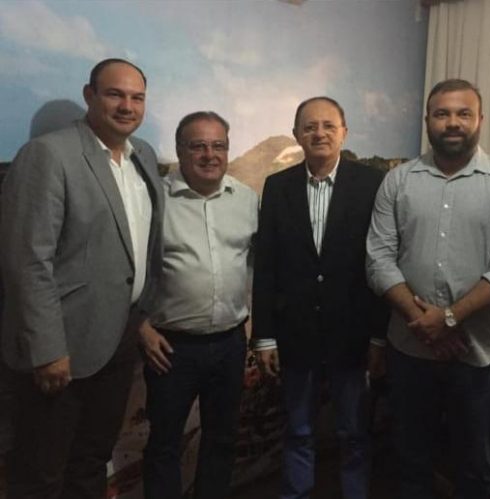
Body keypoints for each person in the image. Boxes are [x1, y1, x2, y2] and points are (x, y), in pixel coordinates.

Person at [0, 58, 163, 498]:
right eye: (115, 94)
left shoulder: (143, 156)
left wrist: (141, 317)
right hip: (61, 350)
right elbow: (27, 261)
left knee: (92, 460)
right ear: (90, 95)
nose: (127, 106)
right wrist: (48, 349)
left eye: (137, 97)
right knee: (40, 474)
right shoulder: (48, 155)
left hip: (119, 340)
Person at [366, 78, 490, 499]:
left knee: (476, 471)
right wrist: (423, 322)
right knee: (411, 466)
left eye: (463, 113)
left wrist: (449, 318)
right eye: (442, 114)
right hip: (409, 352)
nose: (453, 122)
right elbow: (378, 261)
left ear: (480, 120)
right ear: (428, 120)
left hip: (477, 356)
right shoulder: (397, 181)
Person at [252, 96, 388, 499]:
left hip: (353, 334)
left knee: (354, 432)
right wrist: (264, 335)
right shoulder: (278, 187)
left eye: (329, 125)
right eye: (310, 126)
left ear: (344, 132)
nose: (320, 133)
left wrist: (379, 337)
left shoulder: (372, 184)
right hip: (296, 333)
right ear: (297, 134)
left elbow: (382, 262)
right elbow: (267, 265)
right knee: (298, 430)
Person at [138, 111, 257, 499]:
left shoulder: (246, 199)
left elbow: (259, 263)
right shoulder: (154, 199)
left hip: (230, 343)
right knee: (164, 444)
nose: (210, 155)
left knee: (222, 440)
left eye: (218, 145)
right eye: (198, 146)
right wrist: (140, 327)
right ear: (179, 151)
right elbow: (126, 266)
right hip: (170, 348)